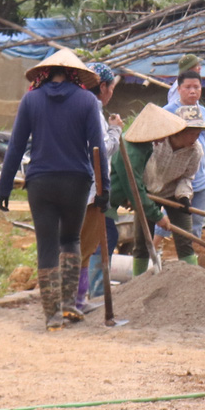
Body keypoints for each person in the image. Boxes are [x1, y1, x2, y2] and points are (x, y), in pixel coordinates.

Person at [0, 49, 111, 327]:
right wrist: (104, 188)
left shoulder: (30, 100)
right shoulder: (86, 100)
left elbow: (15, 147)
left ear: (45, 73)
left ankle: (52, 316)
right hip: (77, 182)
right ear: (75, 74)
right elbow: (98, 149)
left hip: (41, 182)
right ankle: (69, 304)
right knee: (70, 240)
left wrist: (4, 187)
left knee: (47, 244)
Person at [113, 103, 205, 270]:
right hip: (147, 191)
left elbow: (187, 177)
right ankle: (139, 282)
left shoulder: (196, 151)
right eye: (192, 133)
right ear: (180, 131)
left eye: (198, 133)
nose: (196, 137)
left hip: (173, 193)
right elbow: (136, 173)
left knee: (184, 238)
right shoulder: (156, 141)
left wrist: (184, 197)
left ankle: (190, 280)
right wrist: (135, 197)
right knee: (142, 241)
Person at [76, 63, 124, 311]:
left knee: (74, 243)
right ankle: (79, 298)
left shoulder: (74, 104)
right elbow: (100, 150)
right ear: (102, 86)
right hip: (91, 188)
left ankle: (74, 297)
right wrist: (116, 130)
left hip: (75, 185)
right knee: (84, 244)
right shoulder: (92, 108)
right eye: (111, 88)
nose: (111, 93)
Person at [164, 56, 205, 216]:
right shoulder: (168, 112)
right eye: (187, 87)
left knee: (197, 223)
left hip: (200, 178)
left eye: (196, 87)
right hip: (175, 179)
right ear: (178, 89)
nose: (192, 91)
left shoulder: (203, 112)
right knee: (169, 222)